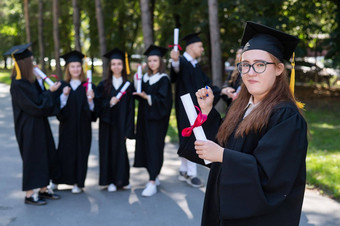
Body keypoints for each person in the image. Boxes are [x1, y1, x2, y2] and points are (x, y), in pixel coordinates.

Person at [179, 21, 308, 225]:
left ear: (279, 69)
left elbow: (271, 176)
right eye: (245, 65)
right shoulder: (242, 106)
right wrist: (207, 113)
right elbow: (222, 143)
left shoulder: (286, 117)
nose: (250, 72)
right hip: (223, 207)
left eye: (260, 64)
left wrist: (223, 156)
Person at [6, 43, 61, 205]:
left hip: (39, 124)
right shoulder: (17, 85)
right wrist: (50, 93)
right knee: (33, 158)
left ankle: (43, 189)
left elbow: (40, 97)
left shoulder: (29, 81)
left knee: (45, 154)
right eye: (31, 60)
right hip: (28, 127)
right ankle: (30, 194)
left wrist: (40, 83)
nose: (34, 63)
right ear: (24, 64)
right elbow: (35, 106)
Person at [170, 33, 220, 188]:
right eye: (200, 46)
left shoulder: (195, 65)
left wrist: (221, 91)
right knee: (190, 135)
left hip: (196, 106)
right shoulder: (183, 62)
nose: (202, 49)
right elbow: (176, 68)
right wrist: (175, 59)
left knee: (188, 135)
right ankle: (192, 174)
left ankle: (184, 169)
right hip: (186, 107)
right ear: (191, 47)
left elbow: (207, 84)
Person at [52, 50, 96, 194]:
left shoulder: (88, 86)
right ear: (68, 69)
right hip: (67, 126)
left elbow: (94, 112)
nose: (76, 69)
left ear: (82, 68)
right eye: (72, 66)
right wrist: (63, 96)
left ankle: (78, 182)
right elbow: (58, 109)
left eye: (78, 66)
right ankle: (57, 181)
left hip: (83, 127)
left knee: (81, 153)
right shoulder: (63, 86)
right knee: (64, 152)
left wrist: (91, 100)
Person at [133, 45, 172, 197]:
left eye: (155, 60)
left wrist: (147, 97)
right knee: (145, 147)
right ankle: (153, 175)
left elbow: (165, 102)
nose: (152, 63)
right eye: (149, 61)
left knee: (154, 148)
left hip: (157, 121)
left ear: (160, 62)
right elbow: (137, 91)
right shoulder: (145, 77)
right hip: (144, 119)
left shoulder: (163, 80)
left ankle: (152, 182)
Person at [96, 48, 135, 192]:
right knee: (107, 151)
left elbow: (131, 109)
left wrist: (129, 129)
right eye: (113, 64)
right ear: (110, 67)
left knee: (121, 151)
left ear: (123, 66)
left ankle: (122, 180)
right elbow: (98, 106)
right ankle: (110, 181)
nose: (116, 67)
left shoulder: (128, 86)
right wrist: (109, 103)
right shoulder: (104, 85)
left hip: (121, 124)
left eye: (119, 63)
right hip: (107, 125)